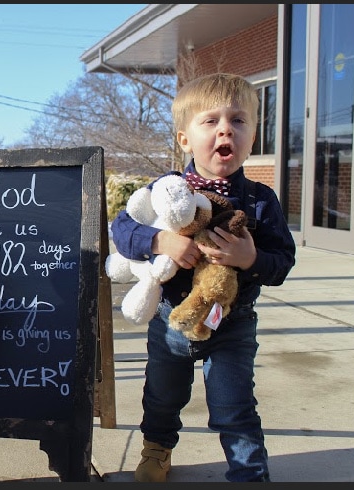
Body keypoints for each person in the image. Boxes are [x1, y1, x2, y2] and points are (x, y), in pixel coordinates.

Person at [111, 73, 296, 482]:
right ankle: (157, 448)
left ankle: (249, 472)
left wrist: (250, 258)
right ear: (184, 140)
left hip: (233, 324)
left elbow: (282, 261)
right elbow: (121, 230)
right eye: (210, 121)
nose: (225, 129)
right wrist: (161, 241)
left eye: (239, 121)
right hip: (169, 321)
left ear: (251, 140)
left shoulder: (261, 201)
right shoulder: (165, 189)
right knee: (162, 397)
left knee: (234, 404)